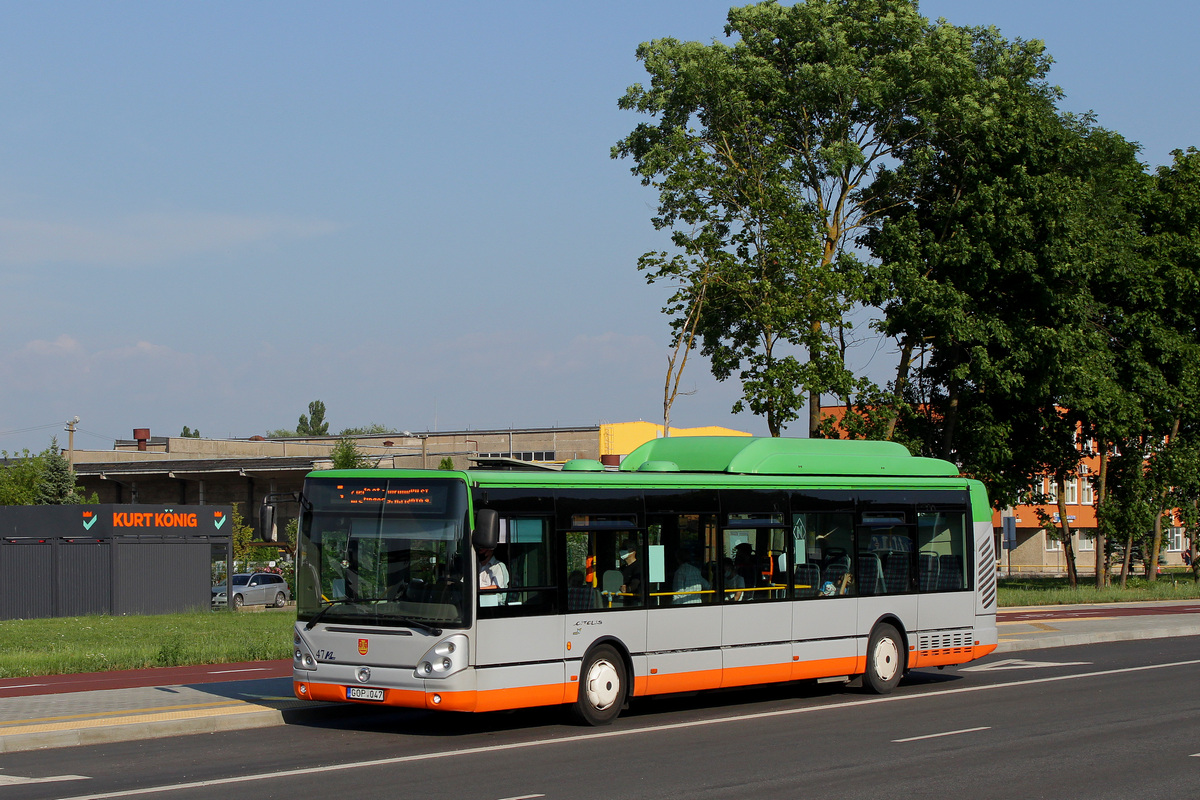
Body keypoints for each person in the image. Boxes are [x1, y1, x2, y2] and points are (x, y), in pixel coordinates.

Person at [618, 539, 642, 605]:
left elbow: (636, 582)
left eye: (625, 549)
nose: (622, 551)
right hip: (621, 602)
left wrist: (628, 589)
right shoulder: (622, 568)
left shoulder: (638, 567)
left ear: (633, 552)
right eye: (621, 549)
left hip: (634, 602)